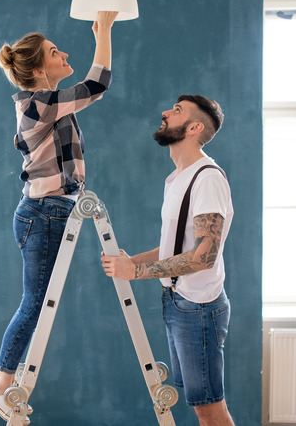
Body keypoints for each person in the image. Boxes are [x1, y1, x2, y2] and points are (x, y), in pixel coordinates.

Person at [0, 11, 119, 423]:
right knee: (35, 302)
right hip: (42, 214)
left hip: (53, 212)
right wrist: (105, 31)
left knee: (39, 301)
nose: (64, 54)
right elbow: (97, 85)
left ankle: (6, 377)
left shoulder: (51, 105)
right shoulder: (38, 104)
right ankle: (0, 382)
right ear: (40, 69)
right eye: (55, 53)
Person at [101, 95, 235, 426]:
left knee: (209, 410)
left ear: (195, 127)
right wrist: (133, 263)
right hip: (178, 303)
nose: (165, 112)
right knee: (200, 406)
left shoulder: (207, 178)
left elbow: (205, 255)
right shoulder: (179, 178)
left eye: (176, 111)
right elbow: (175, 248)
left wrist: (137, 271)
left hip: (198, 308)